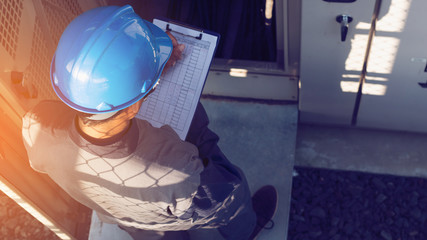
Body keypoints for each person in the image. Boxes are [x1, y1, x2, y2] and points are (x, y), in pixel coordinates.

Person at [22, 5, 277, 240]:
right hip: (173, 200)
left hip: (123, 213)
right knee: (234, 197)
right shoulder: (176, 168)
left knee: (151, 230)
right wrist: (195, 127)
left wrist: (142, 71)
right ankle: (243, 231)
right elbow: (220, 194)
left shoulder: (36, 126)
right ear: (133, 107)